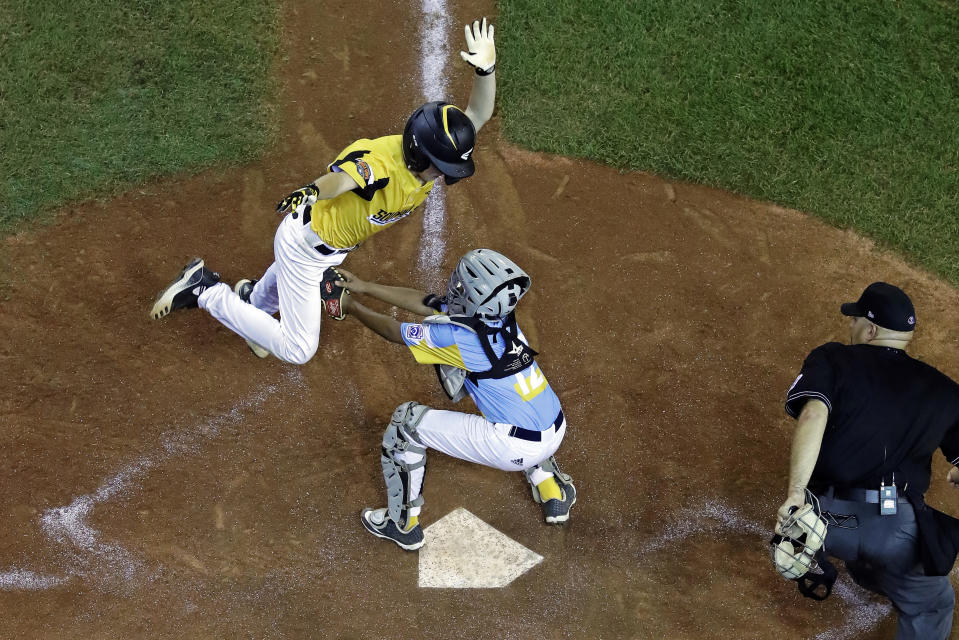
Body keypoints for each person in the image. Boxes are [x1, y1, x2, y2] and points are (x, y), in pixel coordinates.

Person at [148, 19, 497, 364]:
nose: (446, 175)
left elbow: (477, 115)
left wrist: (486, 71)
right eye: (443, 166)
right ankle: (205, 291)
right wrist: (313, 190)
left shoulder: (426, 162)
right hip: (304, 247)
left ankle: (251, 301)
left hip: (328, 250)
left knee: (268, 298)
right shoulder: (382, 165)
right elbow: (343, 179)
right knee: (299, 349)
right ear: (422, 153)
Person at [335, 249, 576, 551]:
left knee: (405, 423)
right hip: (555, 424)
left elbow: (395, 332)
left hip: (514, 447)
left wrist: (352, 306)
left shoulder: (456, 337)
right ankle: (552, 487)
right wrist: (365, 286)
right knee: (518, 404)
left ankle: (403, 525)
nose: (455, 286)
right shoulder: (501, 319)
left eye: (462, 285)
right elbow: (428, 303)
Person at [776, 281, 959, 639]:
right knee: (933, 602)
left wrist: (796, 494)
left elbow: (813, 415)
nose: (851, 326)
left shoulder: (833, 358)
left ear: (870, 329)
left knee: (833, 539)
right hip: (893, 531)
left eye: (855, 319)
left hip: (822, 521)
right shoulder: (946, 392)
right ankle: (878, 569)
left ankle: (855, 562)